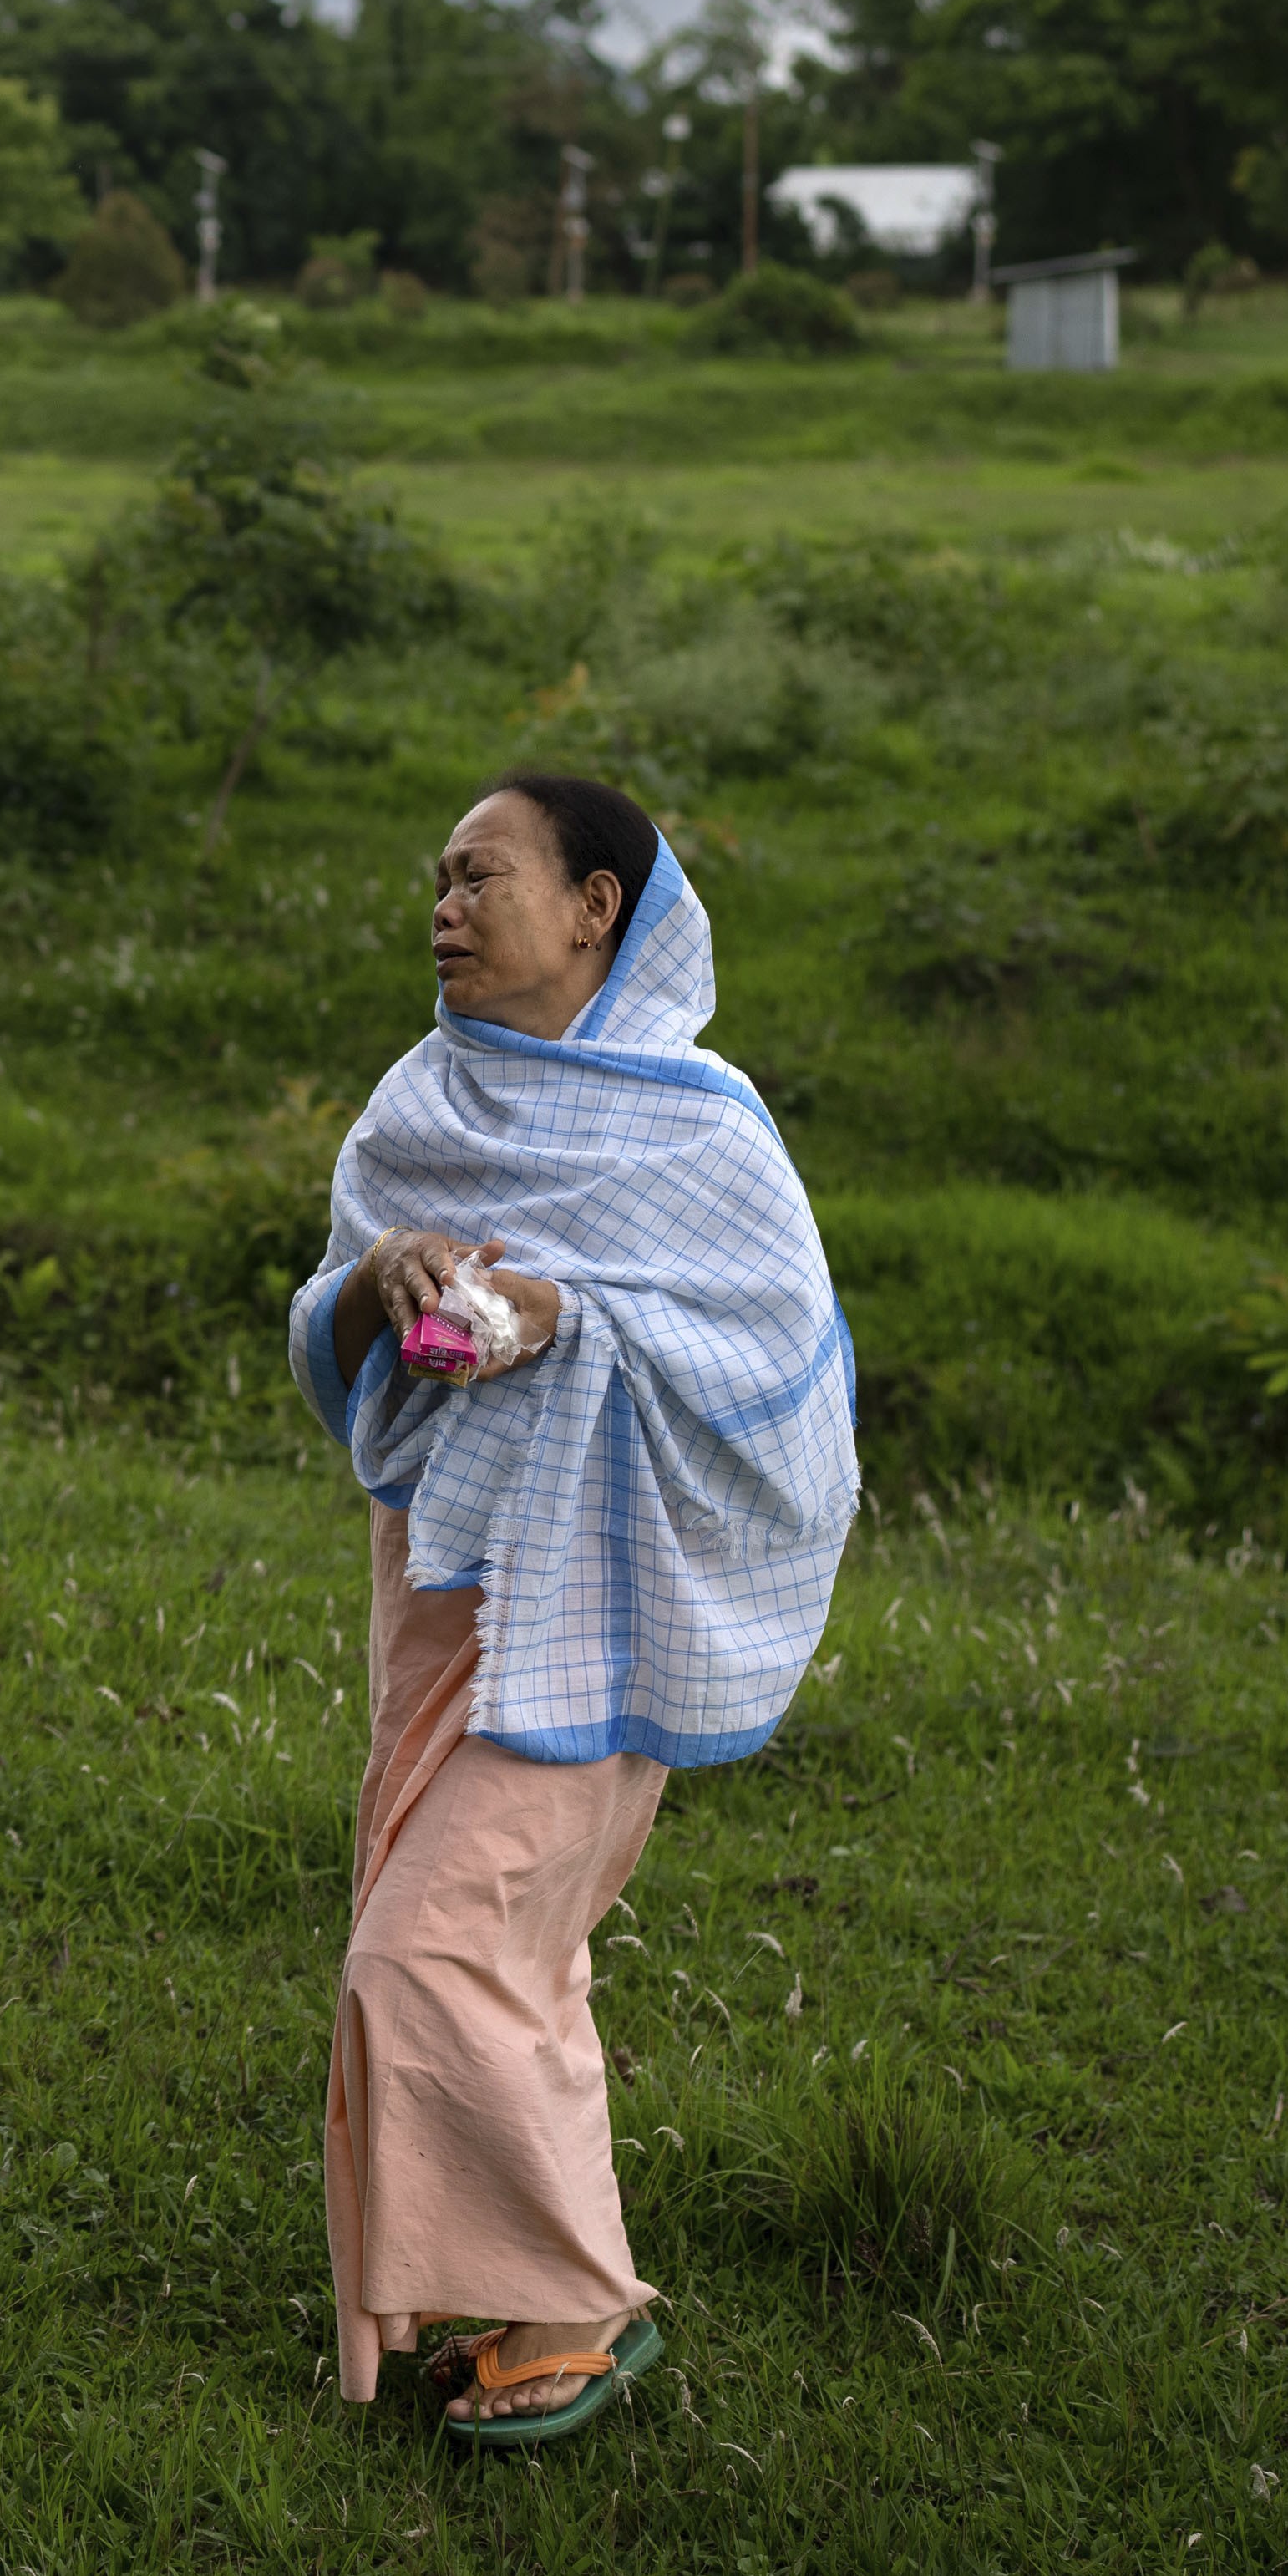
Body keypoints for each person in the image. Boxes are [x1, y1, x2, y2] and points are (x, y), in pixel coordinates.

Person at [285, 772, 858, 2446]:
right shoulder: (419, 1097)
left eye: (483, 875)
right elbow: (338, 1301)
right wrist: (386, 1280)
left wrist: (563, 1311)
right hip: (447, 1598)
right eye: (438, 883)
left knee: (426, 1946)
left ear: (599, 903)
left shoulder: (701, 1124)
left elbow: (774, 1373)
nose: (445, 908)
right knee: (507, 1952)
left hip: (598, 1619)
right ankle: (502, 2287)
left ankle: (579, 2300)